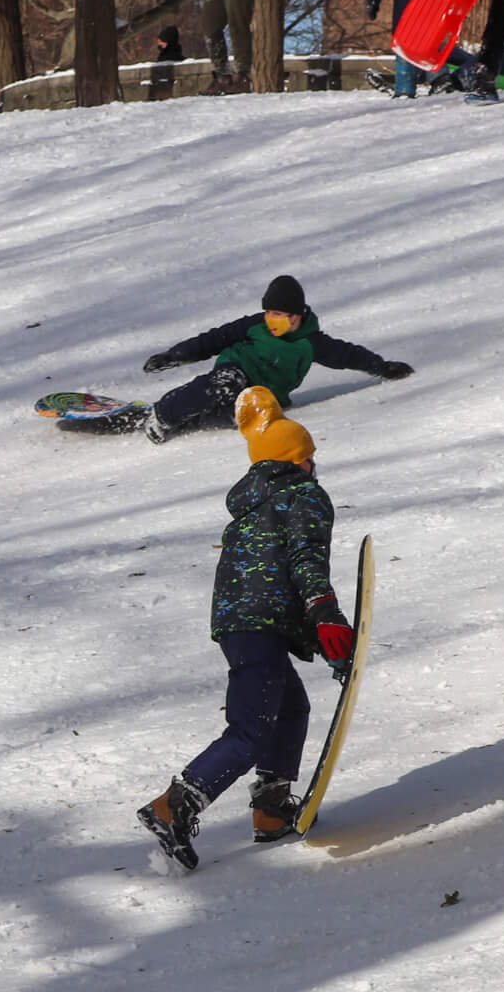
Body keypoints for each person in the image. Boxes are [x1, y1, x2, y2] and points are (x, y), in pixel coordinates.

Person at [136, 386, 355, 870]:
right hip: (264, 624)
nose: (312, 464)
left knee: (290, 707)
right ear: (294, 460)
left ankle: (271, 808)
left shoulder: (251, 507)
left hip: (238, 625)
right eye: (308, 455)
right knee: (251, 726)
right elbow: (305, 559)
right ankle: (172, 806)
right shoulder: (303, 495)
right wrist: (327, 617)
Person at [139, 274, 413, 446]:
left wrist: (381, 367)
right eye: (270, 312)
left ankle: (193, 420)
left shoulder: (311, 342)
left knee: (244, 414)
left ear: (298, 315)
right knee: (224, 384)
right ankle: (163, 414)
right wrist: (175, 355)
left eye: (281, 314)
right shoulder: (255, 325)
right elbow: (215, 339)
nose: (273, 320)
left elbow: (348, 355)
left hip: (263, 393)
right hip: (236, 369)